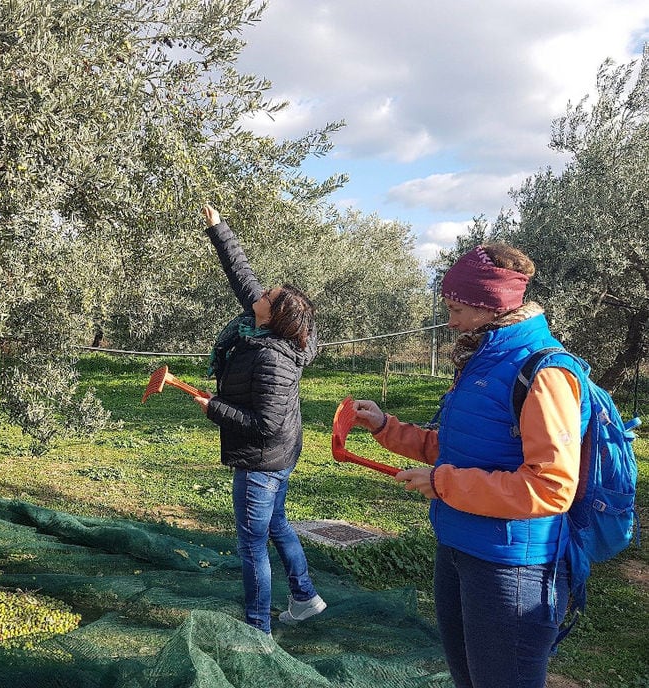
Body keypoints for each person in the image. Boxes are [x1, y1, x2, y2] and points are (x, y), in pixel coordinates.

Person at [352, 244, 587, 688]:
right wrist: (386, 427)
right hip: (459, 549)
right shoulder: (482, 360)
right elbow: (462, 448)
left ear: (490, 305)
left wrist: (444, 484)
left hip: (511, 567)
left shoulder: (544, 372)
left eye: (457, 308)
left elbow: (553, 487)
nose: (450, 320)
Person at [192, 204, 325, 635]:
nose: (258, 297)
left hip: (262, 460)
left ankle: (257, 630)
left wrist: (215, 408)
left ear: (276, 315)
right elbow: (243, 277)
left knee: (252, 545)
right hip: (281, 453)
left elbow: (263, 422)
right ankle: (304, 597)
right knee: (277, 524)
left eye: (266, 298)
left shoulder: (271, 356)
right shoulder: (269, 331)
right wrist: (219, 229)